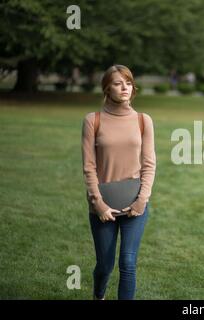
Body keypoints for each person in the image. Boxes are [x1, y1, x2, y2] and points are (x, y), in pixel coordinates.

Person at [81, 65, 156, 300]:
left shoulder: (144, 121)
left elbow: (149, 164)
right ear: (106, 88)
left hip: (135, 205)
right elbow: (89, 166)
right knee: (104, 265)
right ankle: (98, 296)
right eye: (117, 83)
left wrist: (142, 200)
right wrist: (98, 203)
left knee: (128, 262)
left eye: (128, 83)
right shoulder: (93, 120)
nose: (124, 87)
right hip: (103, 206)